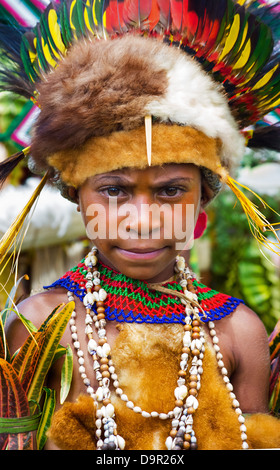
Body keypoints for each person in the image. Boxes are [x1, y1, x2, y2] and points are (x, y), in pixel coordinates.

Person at [1, 0, 280, 450]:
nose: (143, 219)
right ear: (79, 202)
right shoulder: (36, 324)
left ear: (200, 211)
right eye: (114, 190)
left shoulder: (237, 332)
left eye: (171, 190)